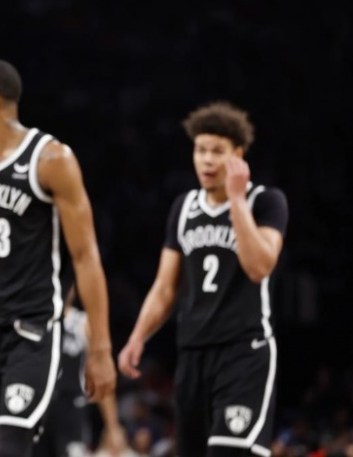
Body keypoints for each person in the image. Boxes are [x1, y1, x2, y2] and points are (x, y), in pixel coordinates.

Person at [0, 59, 116, 457]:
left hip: (33, 329)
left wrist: (99, 349)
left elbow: (86, 257)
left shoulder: (51, 159)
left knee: (12, 447)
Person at [117, 101, 289, 457]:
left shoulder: (266, 202)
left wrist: (237, 200)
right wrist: (138, 336)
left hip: (244, 352)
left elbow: (259, 267)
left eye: (217, 151)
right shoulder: (184, 207)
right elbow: (165, 287)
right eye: (200, 150)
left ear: (237, 156)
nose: (207, 160)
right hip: (193, 354)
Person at [33, 287, 127, 457]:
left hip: (70, 408)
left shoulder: (83, 323)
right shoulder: (35, 319)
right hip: (37, 406)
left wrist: (112, 426)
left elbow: (101, 376)